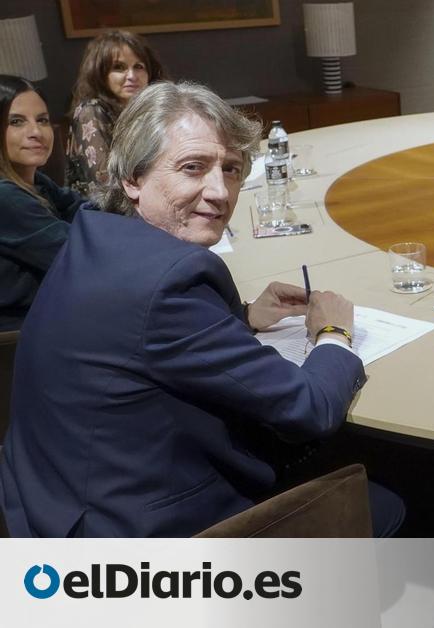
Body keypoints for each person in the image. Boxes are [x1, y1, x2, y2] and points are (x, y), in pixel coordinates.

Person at [0, 81, 404, 537]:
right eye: (193, 168)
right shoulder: (169, 282)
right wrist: (334, 334)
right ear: (132, 179)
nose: (220, 191)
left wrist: (243, 317)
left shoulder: (95, 239)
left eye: (231, 170)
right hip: (135, 541)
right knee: (388, 499)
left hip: (45, 503)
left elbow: (141, 336)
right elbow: (310, 408)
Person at [0, 75, 90, 332]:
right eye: (16, 122)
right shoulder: (5, 196)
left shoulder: (36, 182)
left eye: (42, 120)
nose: (36, 133)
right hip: (19, 339)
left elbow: (86, 210)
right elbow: (79, 253)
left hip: (54, 320)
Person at [65, 30, 167, 198]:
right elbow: (105, 186)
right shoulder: (91, 111)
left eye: (139, 67)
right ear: (100, 74)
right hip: (105, 208)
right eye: (119, 67)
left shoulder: (154, 112)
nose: (132, 76)